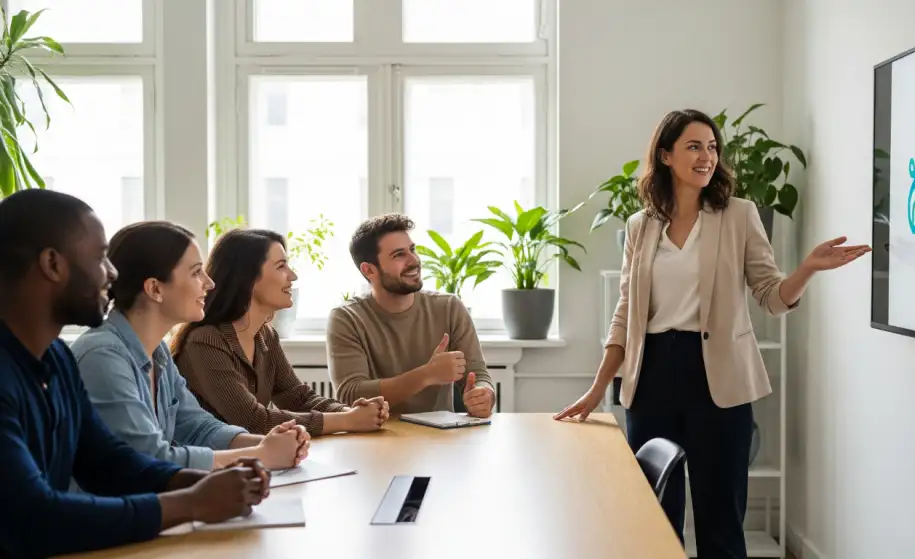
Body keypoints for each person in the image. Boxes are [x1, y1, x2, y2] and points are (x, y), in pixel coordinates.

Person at [554, 109, 869, 558]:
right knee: (654, 521)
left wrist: (806, 270)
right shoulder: (639, 227)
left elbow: (770, 296)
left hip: (719, 381)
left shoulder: (739, 215)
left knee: (720, 522)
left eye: (712, 147)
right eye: (694, 146)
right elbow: (625, 313)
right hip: (652, 380)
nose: (707, 157)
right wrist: (598, 387)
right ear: (665, 155)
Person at [0, 189, 271, 558]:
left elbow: (106, 460)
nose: (112, 275)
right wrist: (191, 503)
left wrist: (201, 481)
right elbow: (34, 518)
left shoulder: (57, 358)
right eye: (100, 259)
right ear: (52, 264)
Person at [70, 221, 310, 471]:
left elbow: (198, 428)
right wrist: (261, 455)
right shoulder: (103, 356)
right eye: (196, 272)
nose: (209, 283)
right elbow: (149, 459)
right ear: (155, 289)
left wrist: (269, 443)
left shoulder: (157, 352)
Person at [171, 228, 389, 436]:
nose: (292, 275)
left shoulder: (265, 335)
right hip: (213, 468)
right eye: (281, 266)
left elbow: (297, 397)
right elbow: (254, 421)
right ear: (248, 277)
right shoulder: (205, 341)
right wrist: (348, 421)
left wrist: (350, 412)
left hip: (252, 461)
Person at [327, 214, 495, 417]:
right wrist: (426, 375)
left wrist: (483, 395)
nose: (414, 260)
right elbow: (350, 395)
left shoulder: (449, 307)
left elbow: (477, 374)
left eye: (412, 250)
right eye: (399, 255)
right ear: (369, 270)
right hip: (374, 440)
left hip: (438, 439)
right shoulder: (347, 318)